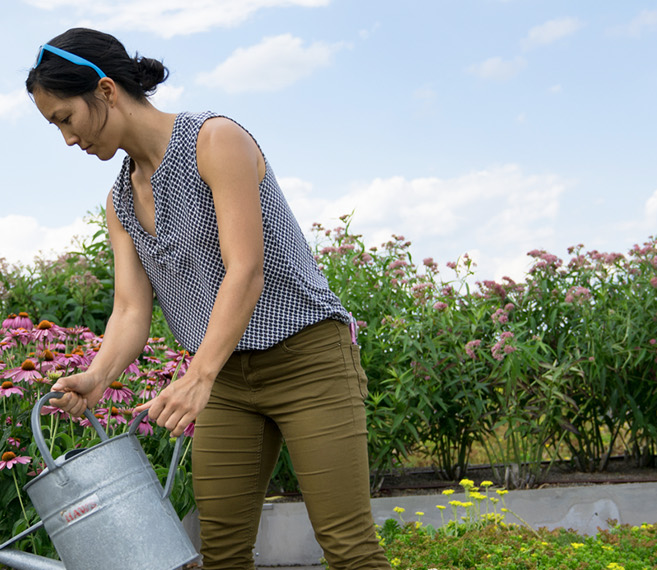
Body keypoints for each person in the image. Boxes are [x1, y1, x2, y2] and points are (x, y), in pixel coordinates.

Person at [32, 28, 392, 570]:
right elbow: (132, 309)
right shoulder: (121, 198)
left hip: (306, 361)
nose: (67, 139)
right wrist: (98, 375)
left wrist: (197, 376)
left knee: (347, 547)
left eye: (65, 118)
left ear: (105, 91)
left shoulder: (215, 140)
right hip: (226, 379)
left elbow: (246, 271)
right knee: (221, 554)